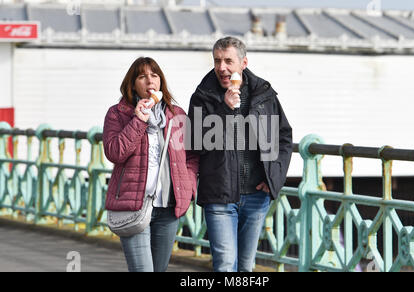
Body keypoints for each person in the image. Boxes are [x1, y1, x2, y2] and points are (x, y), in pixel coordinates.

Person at [188, 36, 293, 272]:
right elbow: (195, 143)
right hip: (219, 194)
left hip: (256, 195)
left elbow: (283, 137)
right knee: (225, 265)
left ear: (243, 63)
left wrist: (273, 177)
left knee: (245, 267)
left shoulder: (263, 94)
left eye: (228, 61)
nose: (222, 68)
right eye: (217, 61)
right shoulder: (202, 96)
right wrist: (224, 109)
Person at [103, 57, 198, 272]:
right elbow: (115, 152)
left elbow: (191, 156)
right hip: (134, 204)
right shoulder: (118, 114)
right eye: (142, 76)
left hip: (169, 207)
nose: (149, 81)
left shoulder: (177, 115)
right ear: (132, 83)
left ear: (161, 82)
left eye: (154, 75)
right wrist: (138, 120)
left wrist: (188, 183)